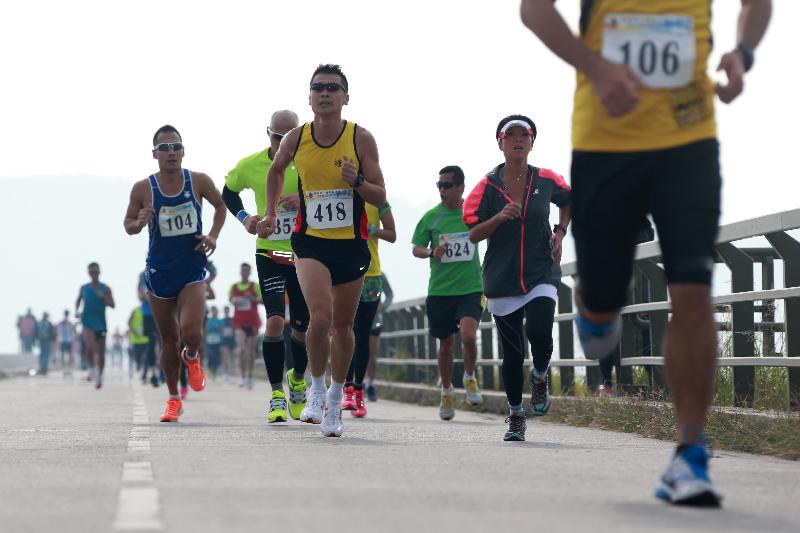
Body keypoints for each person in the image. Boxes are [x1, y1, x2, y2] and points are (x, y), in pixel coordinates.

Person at [520, 0, 772, 506]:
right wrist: (595, 67)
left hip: (689, 141)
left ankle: (690, 453)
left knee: (694, 292)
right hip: (606, 143)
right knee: (601, 308)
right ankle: (598, 307)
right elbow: (534, 10)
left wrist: (743, 52)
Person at [256, 64, 387, 437]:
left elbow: (380, 194)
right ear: (309, 96)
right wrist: (268, 212)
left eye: (332, 88)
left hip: (350, 243)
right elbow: (276, 170)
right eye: (318, 88)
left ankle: (334, 398)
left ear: (346, 97)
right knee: (320, 316)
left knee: (344, 325)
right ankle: (314, 388)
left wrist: (357, 180)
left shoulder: (360, 138)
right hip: (310, 241)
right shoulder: (296, 138)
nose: (324, 93)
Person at [464, 115, 571, 440]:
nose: (518, 139)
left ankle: (540, 376)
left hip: (541, 268)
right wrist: (498, 217)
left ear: (532, 142)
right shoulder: (487, 186)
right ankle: (515, 414)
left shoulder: (546, 178)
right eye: (510, 135)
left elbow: (569, 201)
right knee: (513, 353)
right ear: (500, 143)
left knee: (540, 331)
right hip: (503, 276)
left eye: (524, 134)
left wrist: (561, 232)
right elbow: (473, 234)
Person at [124, 124, 226, 422]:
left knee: (191, 332)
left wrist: (213, 235)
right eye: (165, 148)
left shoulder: (198, 181)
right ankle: (173, 399)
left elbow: (220, 206)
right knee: (168, 339)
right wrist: (140, 222)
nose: (171, 152)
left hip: (192, 268)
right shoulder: (144, 188)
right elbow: (128, 224)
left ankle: (192, 357)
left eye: (176, 147)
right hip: (159, 271)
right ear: (154, 154)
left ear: (183, 151)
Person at [222, 110, 310, 422]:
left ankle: (297, 380)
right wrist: (245, 218)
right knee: (274, 322)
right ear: (268, 133)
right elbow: (228, 191)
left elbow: (336, 193)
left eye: (291, 137)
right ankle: (276, 395)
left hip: (305, 253)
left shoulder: (311, 160)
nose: (284, 142)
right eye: (278, 137)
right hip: (269, 252)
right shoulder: (252, 164)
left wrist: (305, 198)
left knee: (301, 329)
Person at [412, 165, 485, 420]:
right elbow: (416, 248)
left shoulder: (473, 213)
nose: (442, 190)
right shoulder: (432, 217)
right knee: (445, 345)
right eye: (439, 185)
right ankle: (446, 390)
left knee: (468, 335)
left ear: (461, 187)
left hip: (471, 288)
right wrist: (432, 252)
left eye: (447, 185)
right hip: (441, 291)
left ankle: (469, 376)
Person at [342, 200, 396, 418]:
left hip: (371, 275)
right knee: (343, 332)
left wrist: (374, 230)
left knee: (362, 336)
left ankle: (358, 390)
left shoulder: (379, 200)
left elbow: (392, 235)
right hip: (343, 272)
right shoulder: (341, 192)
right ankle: (341, 390)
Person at [75, 262, 115, 388]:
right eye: (91, 272)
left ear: (99, 272)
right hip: (87, 322)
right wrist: (77, 311)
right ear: (88, 273)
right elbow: (78, 300)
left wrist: (103, 298)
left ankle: (99, 376)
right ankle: (92, 370)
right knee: (90, 347)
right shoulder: (84, 288)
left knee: (101, 352)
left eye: (95, 272)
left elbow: (113, 305)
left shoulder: (106, 288)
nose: (93, 274)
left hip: (101, 324)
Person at [229, 263, 262, 390]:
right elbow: (230, 300)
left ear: (250, 272)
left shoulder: (255, 286)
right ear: (240, 271)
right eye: (243, 270)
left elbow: (262, 300)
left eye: (247, 271)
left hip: (253, 321)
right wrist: (234, 301)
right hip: (239, 321)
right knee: (242, 347)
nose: (245, 273)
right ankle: (243, 377)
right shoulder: (234, 286)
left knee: (250, 349)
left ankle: (249, 377)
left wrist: (252, 298)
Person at [364, 272, 393, 401]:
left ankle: (369, 385)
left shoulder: (380, 275)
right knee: (355, 353)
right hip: (354, 319)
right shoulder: (353, 268)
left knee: (372, 355)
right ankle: (353, 384)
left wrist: (381, 307)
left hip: (374, 320)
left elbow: (389, 294)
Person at [137, 271, 160, 387]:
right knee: (151, 346)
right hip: (148, 315)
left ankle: (163, 373)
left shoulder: (164, 270)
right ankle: (153, 374)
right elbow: (140, 295)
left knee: (164, 344)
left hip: (162, 313)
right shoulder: (143, 275)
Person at [128, 305, 149, 377]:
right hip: (136, 340)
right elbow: (129, 323)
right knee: (137, 359)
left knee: (146, 358)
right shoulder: (135, 310)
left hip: (146, 339)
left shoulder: (149, 311)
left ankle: (144, 375)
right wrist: (134, 332)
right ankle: (138, 366)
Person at [205, 306, 224, 380]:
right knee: (210, 355)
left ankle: (215, 371)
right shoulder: (208, 320)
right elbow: (206, 330)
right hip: (209, 340)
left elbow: (222, 331)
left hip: (217, 340)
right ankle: (210, 370)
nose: (214, 312)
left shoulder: (220, 321)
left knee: (216, 356)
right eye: (213, 311)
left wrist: (218, 327)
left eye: (215, 311)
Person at [220, 305, 237, 381]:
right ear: (224, 311)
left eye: (227, 310)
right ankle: (226, 373)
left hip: (232, 340)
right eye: (225, 310)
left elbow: (236, 328)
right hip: (224, 340)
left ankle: (231, 371)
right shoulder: (221, 320)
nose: (226, 311)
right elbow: (219, 329)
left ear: (228, 311)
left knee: (232, 357)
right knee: (225, 357)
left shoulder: (232, 319)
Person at [56, 310, 75, 375]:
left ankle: (68, 370)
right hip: (65, 341)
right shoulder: (67, 323)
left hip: (66, 341)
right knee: (64, 356)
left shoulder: (67, 323)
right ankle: (65, 370)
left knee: (66, 355)